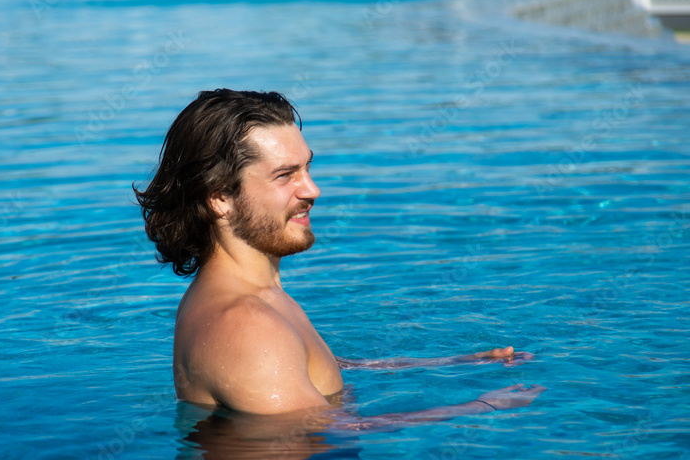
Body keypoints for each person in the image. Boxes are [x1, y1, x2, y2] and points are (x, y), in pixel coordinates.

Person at [135, 89, 545, 417]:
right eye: (285, 176)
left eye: (307, 168)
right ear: (220, 198)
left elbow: (312, 366)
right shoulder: (246, 326)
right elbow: (326, 436)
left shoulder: (251, 300)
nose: (312, 190)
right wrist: (482, 406)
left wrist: (455, 362)